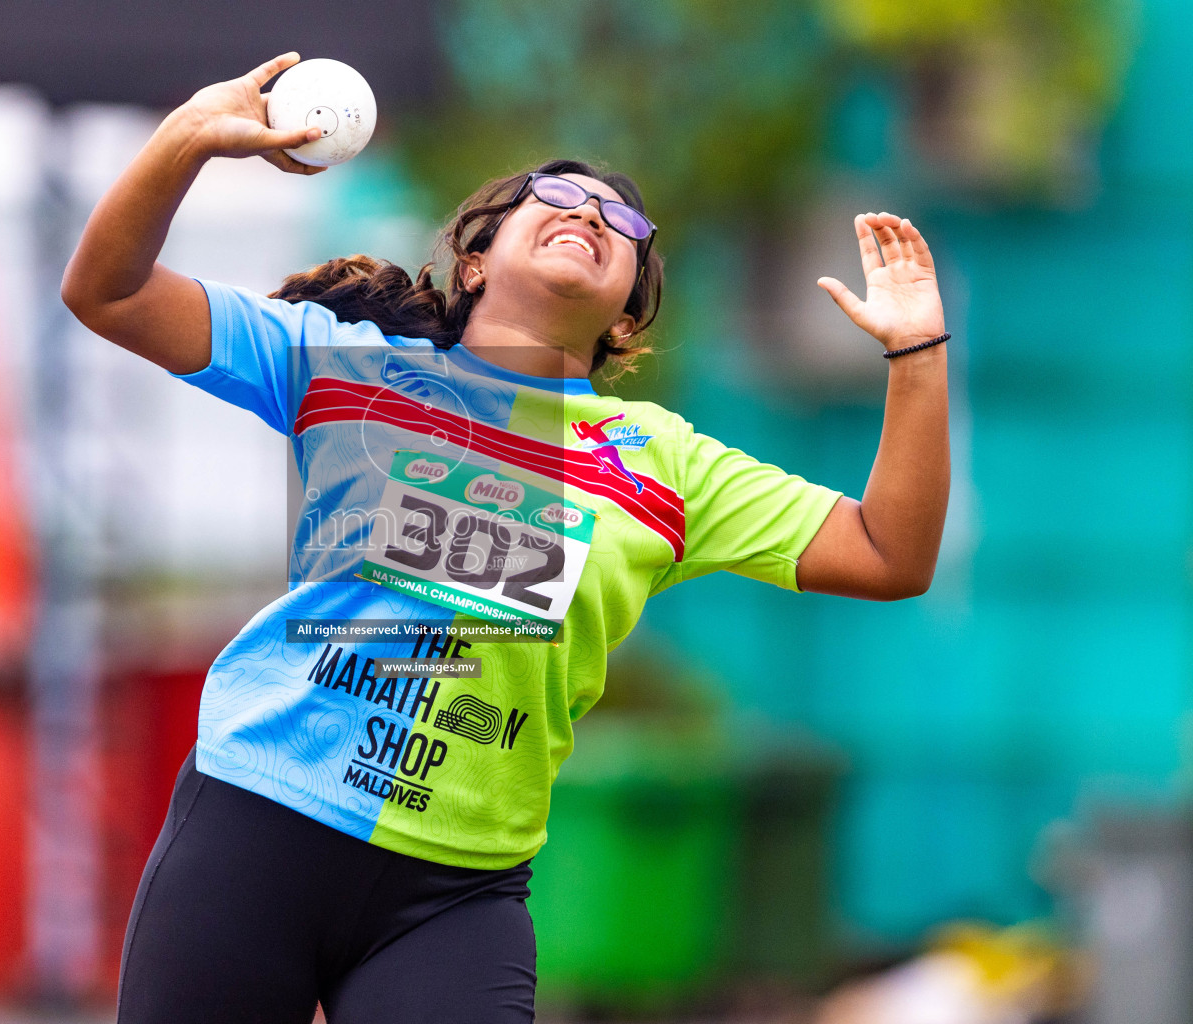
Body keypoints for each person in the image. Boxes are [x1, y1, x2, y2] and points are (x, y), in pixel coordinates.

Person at [62, 51, 948, 1024]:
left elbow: (887, 554)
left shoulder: (663, 461)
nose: (593, 215)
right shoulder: (342, 362)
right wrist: (186, 136)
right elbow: (107, 292)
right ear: (476, 256)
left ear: (625, 324)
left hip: (452, 892)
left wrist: (917, 357)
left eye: (625, 225)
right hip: (260, 821)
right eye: (560, 195)